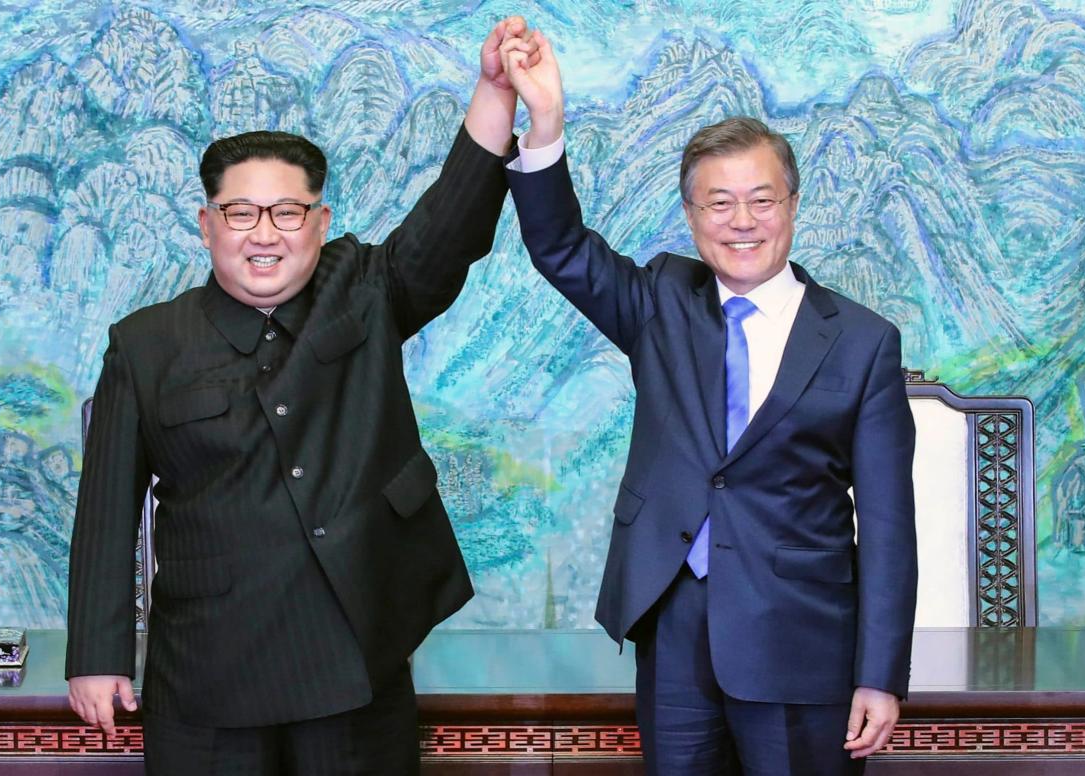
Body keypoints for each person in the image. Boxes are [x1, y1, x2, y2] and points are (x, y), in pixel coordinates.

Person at [65, 17, 538, 775]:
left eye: (287, 212)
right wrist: (95, 656)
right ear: (207, 225)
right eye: (240, 213)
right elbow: (105, 512)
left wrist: (494, 90)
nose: (265, 233)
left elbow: (450, 224)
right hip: (206, 674)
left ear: (319, 222)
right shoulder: (145, 344)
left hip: (353, 661)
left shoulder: (365, 290)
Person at [498, 32, 918, 775]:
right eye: (718, 203)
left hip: (802, 637)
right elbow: (561, 247)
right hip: (676, 620)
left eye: (761, 200)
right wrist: (547, 126)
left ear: (792, 205)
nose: (742, 221)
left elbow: (888, 527)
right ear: (692, 217)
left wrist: (880, 674)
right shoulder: (662, 300)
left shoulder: (862, 341)